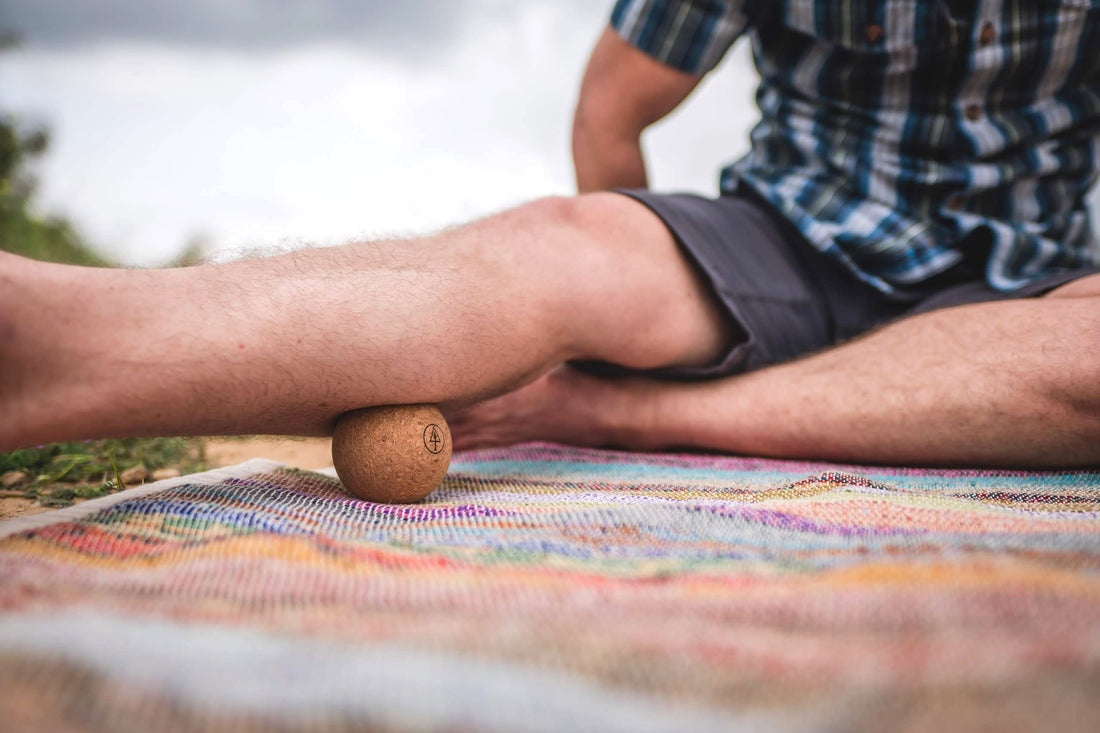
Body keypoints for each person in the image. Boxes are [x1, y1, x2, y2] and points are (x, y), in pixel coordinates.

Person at [2, 0, 1099, 468]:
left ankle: (624, 418)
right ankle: (55, 339)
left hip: (1035, 285)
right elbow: (608, 112)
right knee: (559, 246)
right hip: (790, 239)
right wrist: (613, 321)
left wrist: (611, 393)